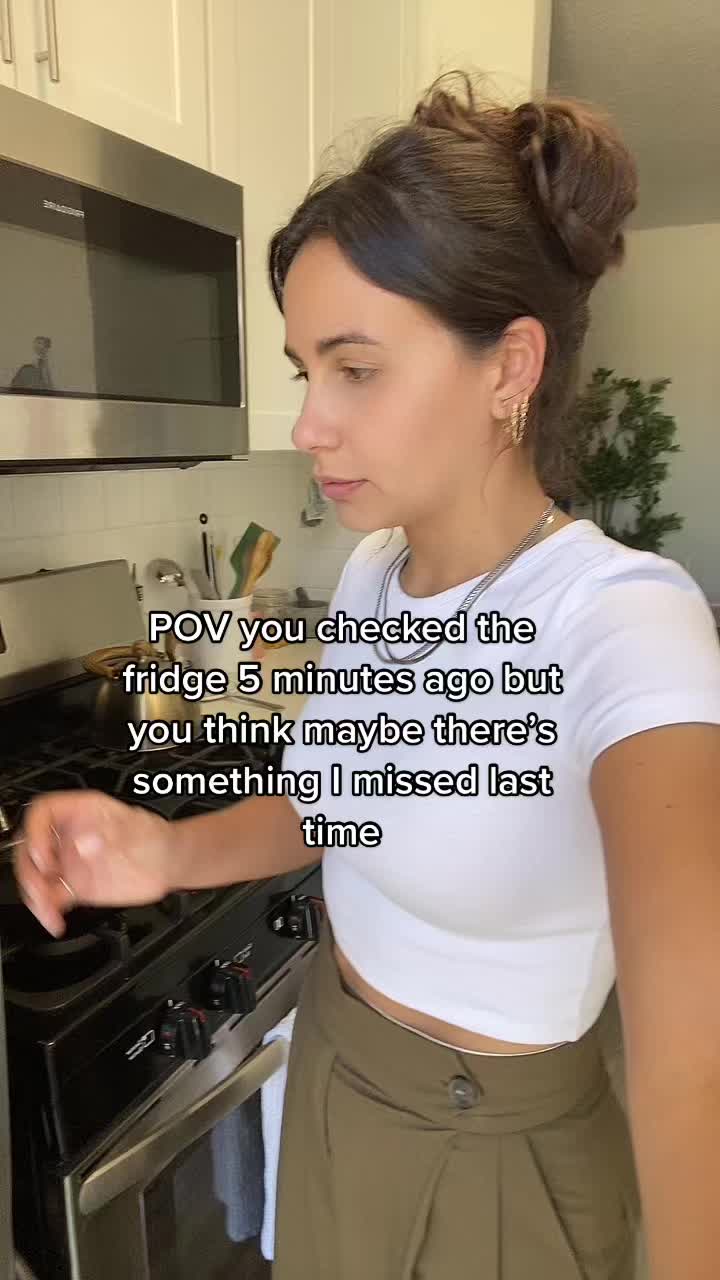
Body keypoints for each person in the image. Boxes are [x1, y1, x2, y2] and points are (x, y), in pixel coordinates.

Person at [15, 71, 720, 1280]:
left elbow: (690, 1059)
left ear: (509, 368)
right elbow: (340, 803)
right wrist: (165, 850)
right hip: (334, 1072)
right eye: (307, 370)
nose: (307, 423)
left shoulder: (624, 622)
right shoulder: (373, 575)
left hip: (498, 1161)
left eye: (355, 368)